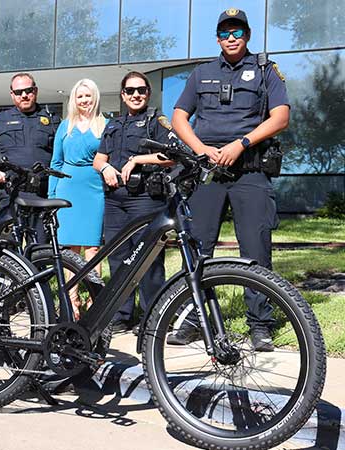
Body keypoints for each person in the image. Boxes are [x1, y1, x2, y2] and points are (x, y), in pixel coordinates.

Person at [170, 8, 290, 351]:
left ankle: (260, 325)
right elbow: (179, 116)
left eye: (237, 32)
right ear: (218, 37)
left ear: (247, 35)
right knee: (198, 249)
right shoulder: (202, 72)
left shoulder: (265, 70)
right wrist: (200, 148)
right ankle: (197, 319)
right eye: (225, 32)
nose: (231, 38)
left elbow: (281, 117)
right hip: (208, 173)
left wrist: (241, 144)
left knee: (255, 249)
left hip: (249, 170)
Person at [93, 71, 176, 333]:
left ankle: (151, 318)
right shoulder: (114, 124)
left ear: (148, 93)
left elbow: (170, 155)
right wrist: (104, 168)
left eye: (141, 90)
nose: (136, 95)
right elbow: (98, 158)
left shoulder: (156, 121)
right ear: (122, 95)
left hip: (145, 199)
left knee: (148, 260)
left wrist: (138, 160)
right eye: (130, 91)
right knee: (118, 258)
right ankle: (121, 315)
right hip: (115, 201)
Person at [0, 73, 61, 241]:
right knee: (9, 250)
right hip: (11, 193)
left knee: (40, 247)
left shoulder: (51, 119)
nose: (24, 95)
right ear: (12, 94)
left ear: (35, 91)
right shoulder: (0, 119)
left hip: (41, 194)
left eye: (28, 90)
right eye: (19, 92)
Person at [48, 79, 107, 319]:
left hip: (94, 189)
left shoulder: (105, 124)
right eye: (80, 96)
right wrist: (52, 195)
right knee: (70, 249)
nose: (84, 100)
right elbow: (56, 162)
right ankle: (71, 305)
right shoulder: (65, 126)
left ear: (95, 97)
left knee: (93, 248)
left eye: (88, 95)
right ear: (74, 99)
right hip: (67, 187)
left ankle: (96, 303)